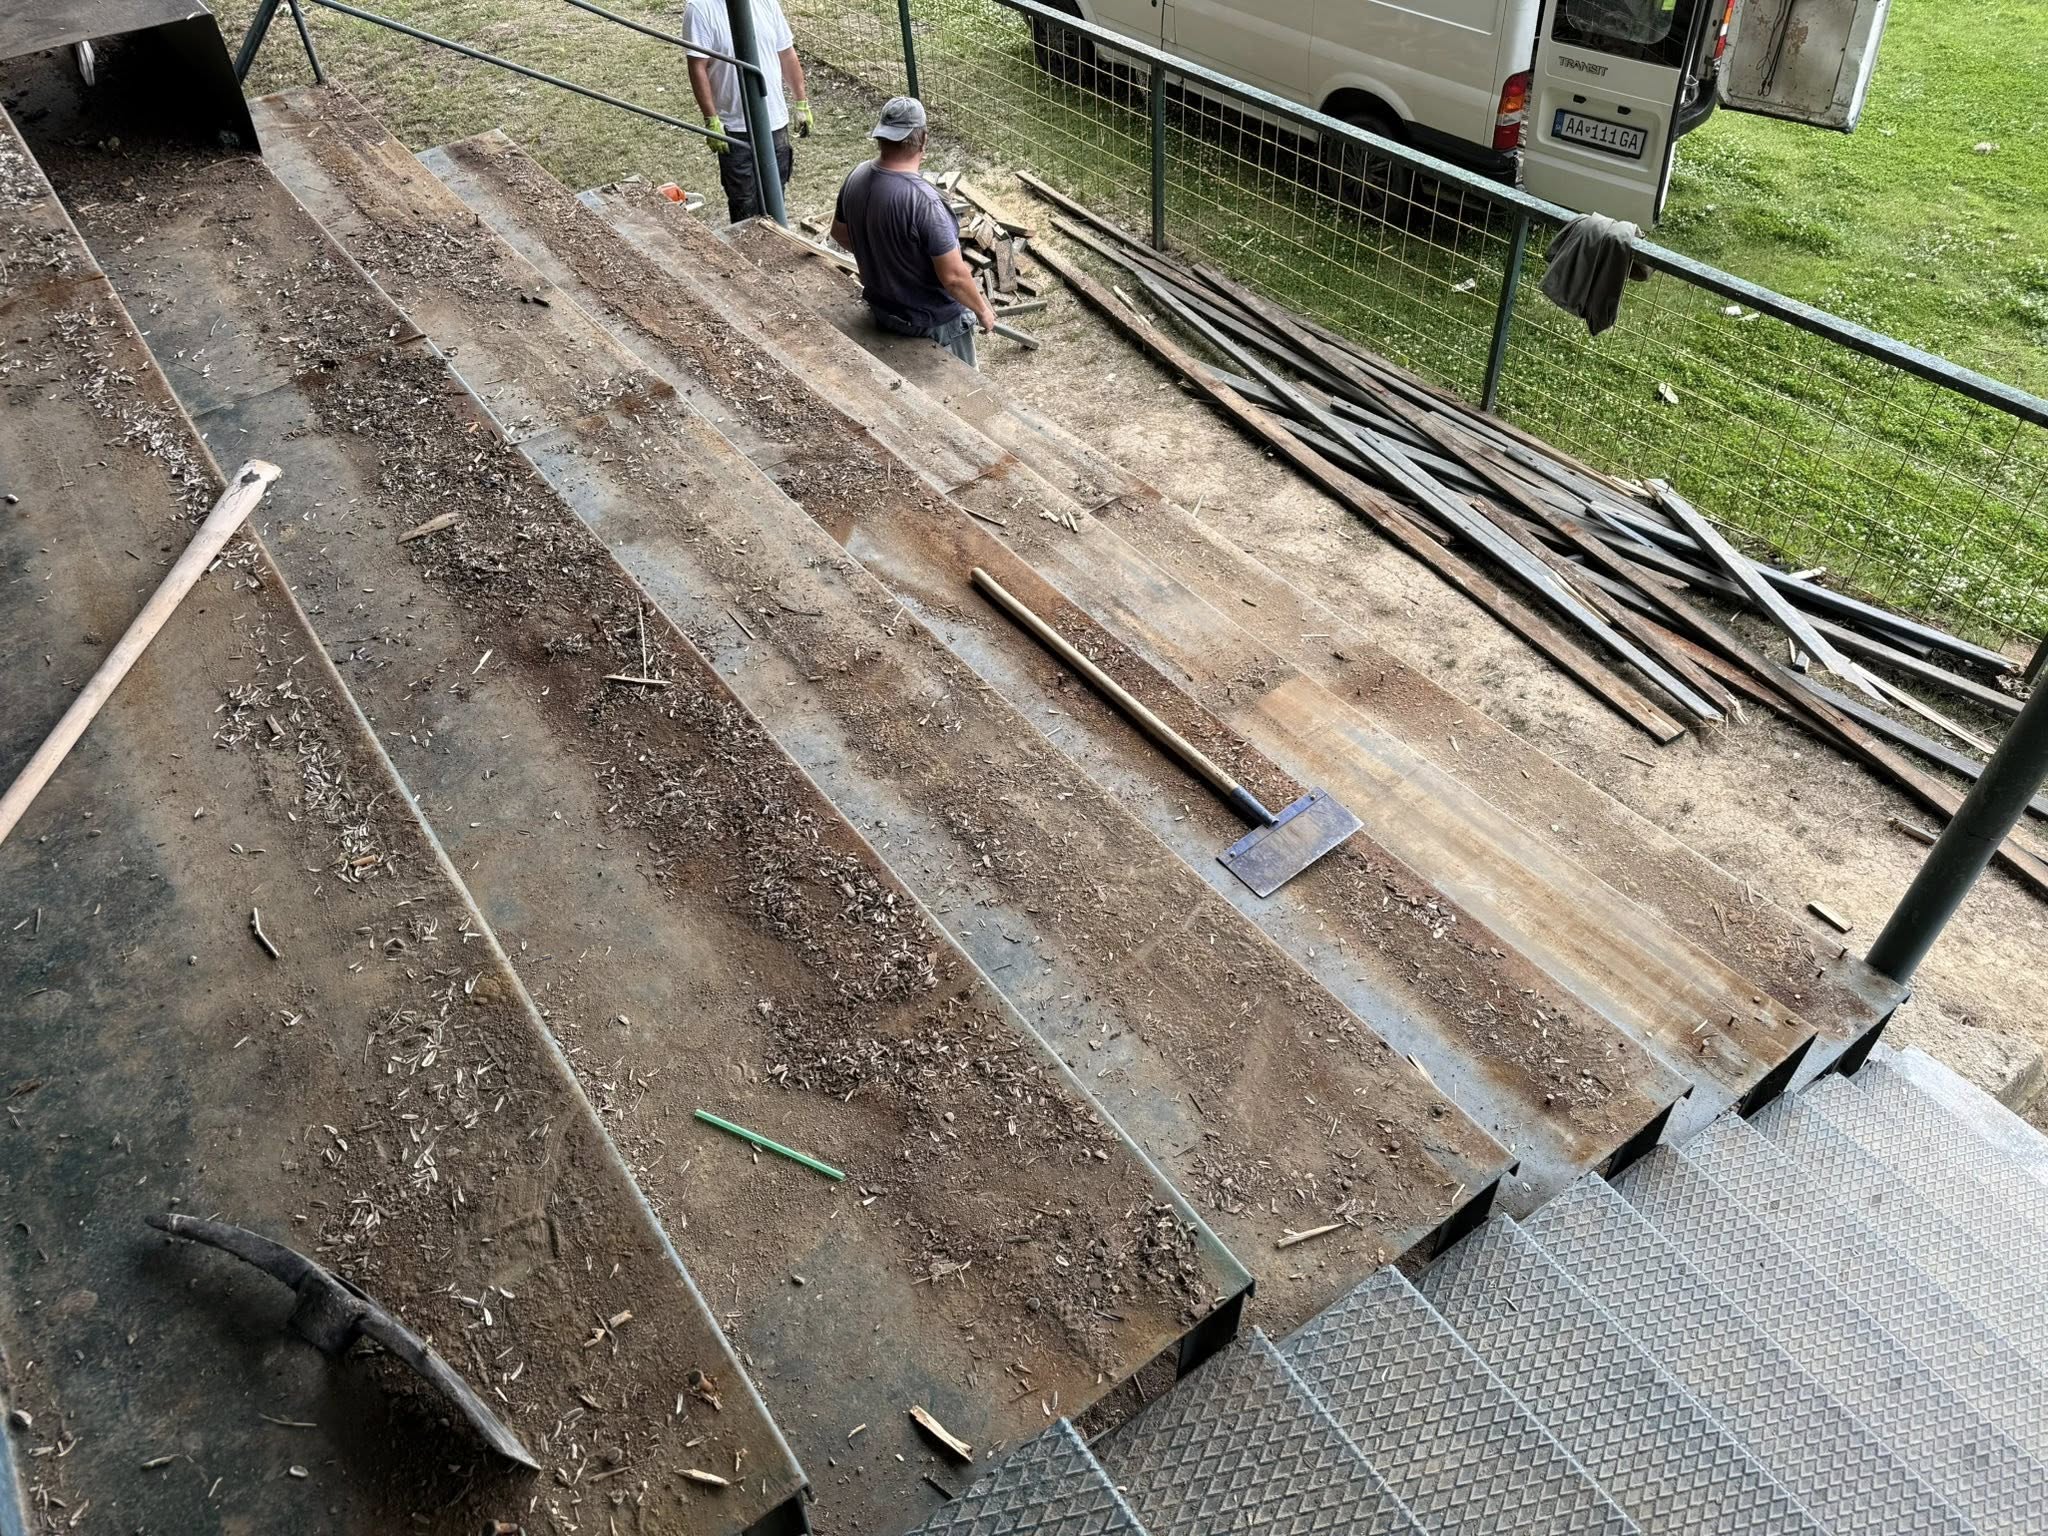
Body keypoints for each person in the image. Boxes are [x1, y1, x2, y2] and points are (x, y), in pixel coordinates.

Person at [830, 98, 996, 368]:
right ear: (923, 140)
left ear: (881, 135)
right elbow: (954, 278)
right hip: (933, 324)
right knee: (964, 387)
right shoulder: (925, 202)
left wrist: (885, 261)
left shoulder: (857, 176)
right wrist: (982, 310)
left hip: (886, 312)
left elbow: (840, 234)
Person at [682, 0, 812, 225]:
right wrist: (711, 118)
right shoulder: (700, 9)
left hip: (774, 122)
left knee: (776, 194)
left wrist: (801, 102)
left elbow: (786, 53)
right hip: (735, 127)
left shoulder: (766, 2)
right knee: (744, 201)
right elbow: (697, 67)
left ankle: (777, 241)